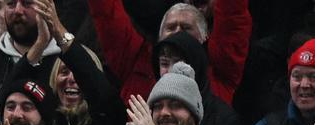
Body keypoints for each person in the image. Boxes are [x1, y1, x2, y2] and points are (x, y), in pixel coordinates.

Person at [85, 0, 250, 104]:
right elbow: (107, 14)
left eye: (186, 28)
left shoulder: (219, 70)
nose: (178, 32)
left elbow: (233, 15)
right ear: (160, 35)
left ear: (204, 36)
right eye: (171, 27)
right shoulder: (136, 60)